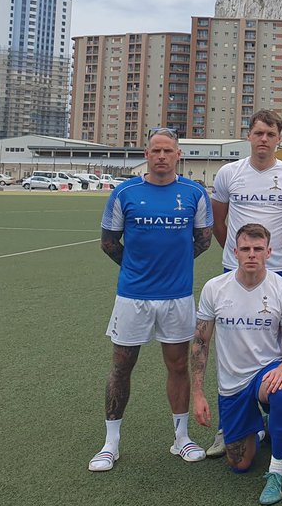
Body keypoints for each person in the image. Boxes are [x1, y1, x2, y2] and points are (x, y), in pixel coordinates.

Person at [89, 128, 213, 472]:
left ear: (178, 155)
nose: (161, 156)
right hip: (133, 297)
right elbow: (109, 243)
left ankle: (181, 437)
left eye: (168, 151)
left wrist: (172, 268)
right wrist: (136, 268)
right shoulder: (124, 192)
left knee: (177, 366)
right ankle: (111, 443)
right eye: (155, 150)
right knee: (122, 365)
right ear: (146, 153)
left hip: (177, 297)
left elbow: (203, 241)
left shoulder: (194, 192)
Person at [206, 108, 282, 458]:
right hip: (235, 270)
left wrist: (274, 255)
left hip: (277, 272)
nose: (264, 140)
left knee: (279, 347)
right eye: (258, 133)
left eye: (270, 134)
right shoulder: (230, 173)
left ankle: (274, 418)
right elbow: (219, 222)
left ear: (278, 138)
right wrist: (238, 258)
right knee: (230, 348)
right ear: (249, 135)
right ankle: (226, 426)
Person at [190, 224, 282, 505]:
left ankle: (276, 472)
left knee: (280, 391)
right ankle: (260, 425)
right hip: (232, 383)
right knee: (239, 464)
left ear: (269, 252)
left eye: (258, 249)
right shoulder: (215, 288)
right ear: (235, 252)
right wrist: (198, 393)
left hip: (267, 372)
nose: (252, 255)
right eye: (246, 249)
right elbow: (201, 343)